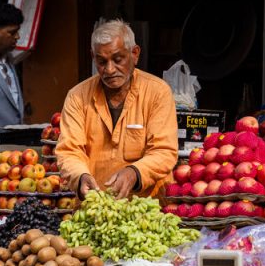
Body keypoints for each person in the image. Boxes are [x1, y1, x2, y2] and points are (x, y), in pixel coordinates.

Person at [56, 19, 178, 199]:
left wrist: (134, 172)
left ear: (135, 53)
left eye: (118, 59)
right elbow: (69, 150)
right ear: (93, 57)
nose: (110, 69)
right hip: (95, 210)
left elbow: (164, 151)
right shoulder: (77, 96)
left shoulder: (157, 92)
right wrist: (80, 176)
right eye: (102, 62)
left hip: (146, 210)